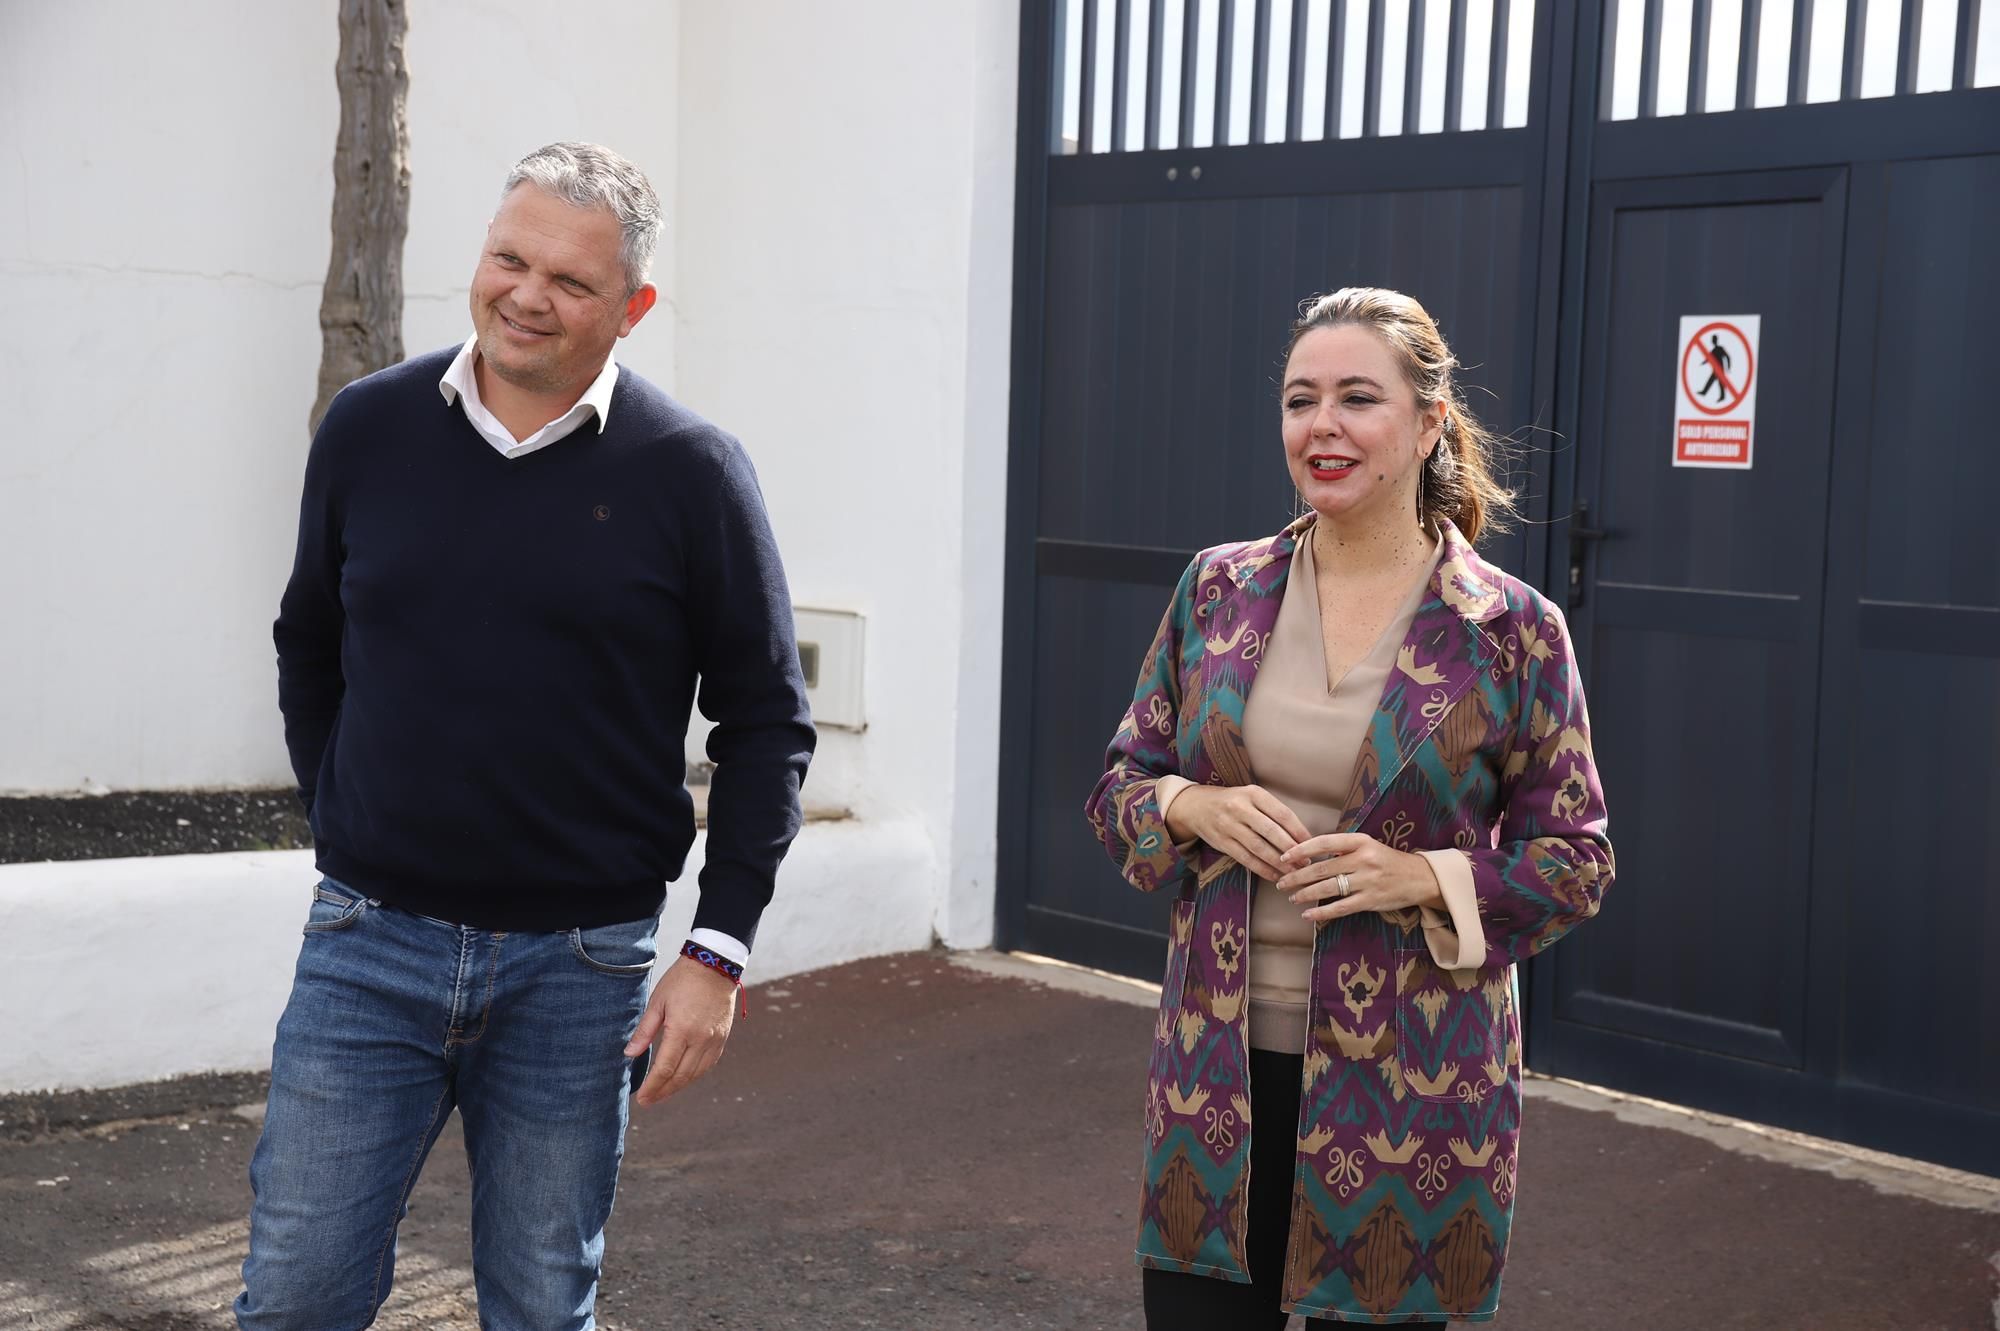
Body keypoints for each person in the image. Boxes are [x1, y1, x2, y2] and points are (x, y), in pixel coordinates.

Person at [244, 142, 815, 1329]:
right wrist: (340, 807)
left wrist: (716, 949)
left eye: (569, 280)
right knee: (296, 1296)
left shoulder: (691, 473)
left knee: (542, 1305)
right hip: (368, 947)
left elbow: (765, 719)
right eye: (509, 257)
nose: (526, 293)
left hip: (579, 968)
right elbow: (309, 638)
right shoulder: (369, 427)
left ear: (631, 309)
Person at [1085, 287, 1612, 1326]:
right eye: (1298, 399)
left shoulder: (1510, 628)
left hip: (1410, 1100)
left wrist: (1422, 874)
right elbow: (1117, 789)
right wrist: (1188, 803)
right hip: (1212, 1086)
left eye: (1355, 397)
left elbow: (1574, 860)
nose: (1319, 425)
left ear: (1425, 425)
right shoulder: (1214, 590)